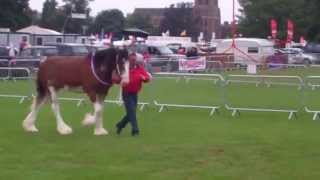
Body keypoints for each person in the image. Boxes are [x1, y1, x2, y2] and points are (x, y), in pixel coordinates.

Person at [116, 53, 152, 136]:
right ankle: (135, 130)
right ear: (128, 60)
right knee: (132, 112)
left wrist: (144, 78)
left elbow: (147, 77)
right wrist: (121, 81)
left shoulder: (139, 68)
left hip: (135, 93)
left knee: (131, 113)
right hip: (126, 93)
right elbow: (118, 79)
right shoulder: (124, 69)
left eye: (134, 60)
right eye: (132, 60)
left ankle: (120, 125)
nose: (133, 61)